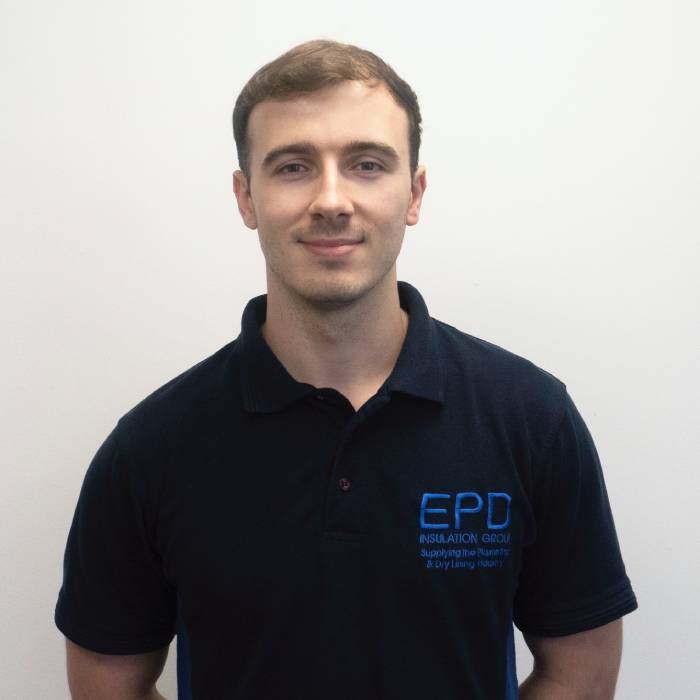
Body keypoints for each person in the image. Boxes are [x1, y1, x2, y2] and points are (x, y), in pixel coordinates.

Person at [55, 39, 638, 699]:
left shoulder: (531, 419)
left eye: (366, 164)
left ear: (413, 193)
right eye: (294, 166)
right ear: (246, 198)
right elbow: (107, 685)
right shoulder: (150, 448)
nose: (331, 199)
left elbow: (581, 675)